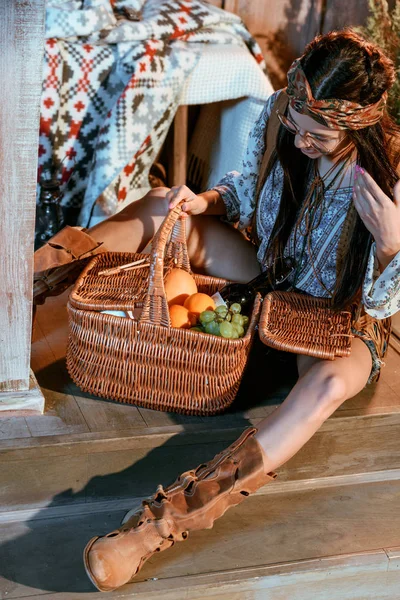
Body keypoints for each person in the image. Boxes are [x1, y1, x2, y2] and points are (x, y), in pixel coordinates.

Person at [33, 29, 400, 591]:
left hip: (340, 316)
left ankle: (156, 527)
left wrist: (390, 248)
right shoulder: (283, 113)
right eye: (296, 127)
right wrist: (203, 201)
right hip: (269, 275)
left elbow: (382, 301)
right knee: (162, 204)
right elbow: (245, 189)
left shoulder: (389, 173)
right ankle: (16, 331)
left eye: (318, 137)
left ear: (358, 127)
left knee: (327, 386)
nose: (300, 141)